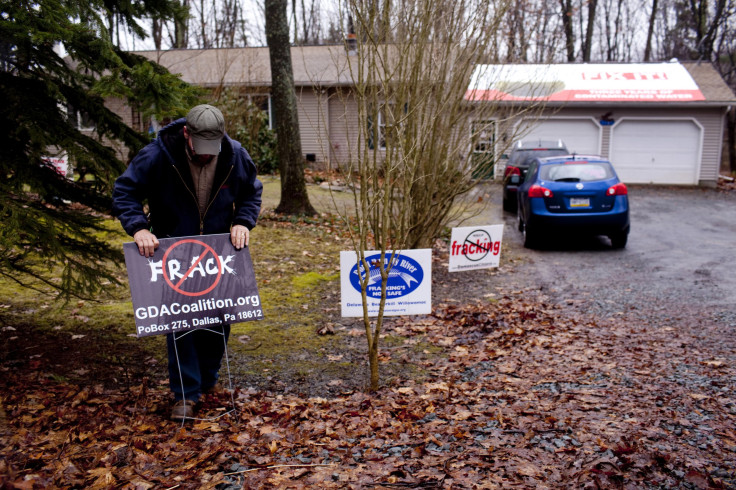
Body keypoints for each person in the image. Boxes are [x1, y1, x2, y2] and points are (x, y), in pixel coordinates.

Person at [112, 104, 263, 421]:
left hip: (219, 251)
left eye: (214, 147)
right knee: (181, 324)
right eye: (201, 147)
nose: (208, 155)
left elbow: (251, 192)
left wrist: (242, 222)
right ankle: (185, 394)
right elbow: (125, 191)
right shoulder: (156, 156)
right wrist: (139, 228)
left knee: (218, 323)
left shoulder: (235, 154)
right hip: (173, 253)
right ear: (186, 134)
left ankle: (207, 380)